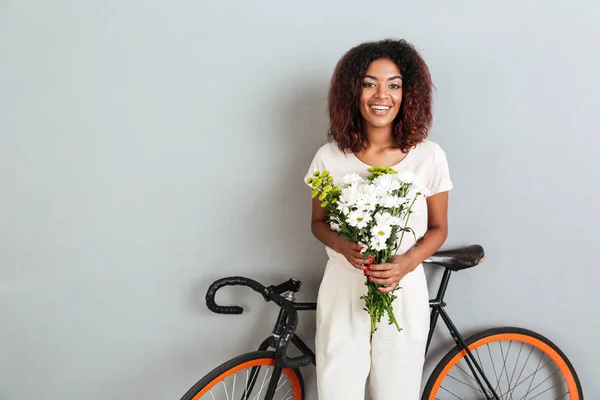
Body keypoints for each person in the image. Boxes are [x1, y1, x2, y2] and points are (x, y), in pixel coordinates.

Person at [304, 39, 453, 400]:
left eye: (394, 84)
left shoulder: (428, 157)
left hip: (402, 288)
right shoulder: (330, 158)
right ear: (353, 92)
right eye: (369, 83)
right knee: (337, 389)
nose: (381, 95)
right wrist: (343, 245)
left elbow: (438, 229)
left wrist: (404, 264)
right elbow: (318, 223)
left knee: (397, 391)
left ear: (407, 93)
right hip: (343, 285)